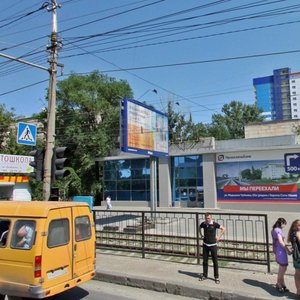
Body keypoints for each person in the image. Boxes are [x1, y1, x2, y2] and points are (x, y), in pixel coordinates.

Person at [199, 212, 225, 284]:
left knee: (215, 262)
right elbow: (199, 227)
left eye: (209, 218)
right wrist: (201, 235)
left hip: (213, 245)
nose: (207, 219)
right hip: (205, 245)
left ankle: (216, 277)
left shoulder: (214, 224)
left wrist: (219, 237)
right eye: (206, 218)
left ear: (211, 218)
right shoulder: (203, 224)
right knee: (205, 261)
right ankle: (205, 275)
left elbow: (223, 228)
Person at [271, 217, 291, 292]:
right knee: (282, 269)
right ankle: (279, 284)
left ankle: (282, 283)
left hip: (279, 250)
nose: (284, 226)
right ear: (281, 223)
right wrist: (288, 250)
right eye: (284, 224)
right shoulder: (277, 230)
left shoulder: (275, 229)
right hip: (281, 251)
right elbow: (281, 242)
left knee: (283, 268)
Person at [288, 219, 300, 298]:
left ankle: (298, 291)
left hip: (296, 257)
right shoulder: (297, 233)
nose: (299, 227)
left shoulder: (292, 233)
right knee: (298, 274)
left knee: (297, 273)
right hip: (299, 257)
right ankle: (299, 291)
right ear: (294, 226)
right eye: (298, 225)